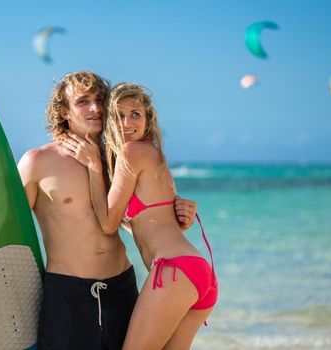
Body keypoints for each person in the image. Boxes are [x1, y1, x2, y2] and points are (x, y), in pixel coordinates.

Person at [0, 72, 199, 349]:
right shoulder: (37, 162)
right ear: (64, 111)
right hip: (68, 296)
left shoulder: (117, 157)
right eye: (83, 101)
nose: (96, 108)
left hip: (121, 288)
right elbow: (0, 229)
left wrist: (177, 214)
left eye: (100, 100)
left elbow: (133, 218)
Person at [61, 83, 217, 350]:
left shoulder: (132, 152)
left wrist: (94, 167)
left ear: (148, 120)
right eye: (119, 115)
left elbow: (109, 222)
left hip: (173, 272)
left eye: (135, 114)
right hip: (198, 274)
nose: (127, 122)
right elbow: (161, 221)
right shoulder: (152, 156)